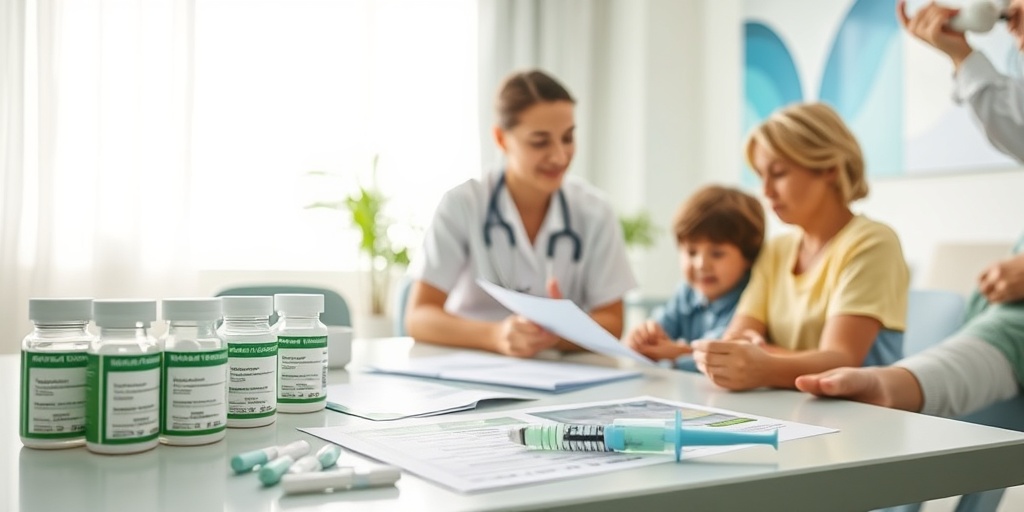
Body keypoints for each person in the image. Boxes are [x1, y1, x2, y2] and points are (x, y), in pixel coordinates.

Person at [796, 0, 1024, 418]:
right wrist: (961, 54)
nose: (1011, 17)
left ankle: (896, 386)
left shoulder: (868, 242)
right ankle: (898, 385)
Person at [404, 70, 635, 358]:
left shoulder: (595, 212)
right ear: (501, 138)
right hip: (472, 364)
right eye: (540, 142)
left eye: (567, 138)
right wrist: (495, 336)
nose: (559, 156)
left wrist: (554, 335)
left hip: (559, 370)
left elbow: (612, 321)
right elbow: (419, 316)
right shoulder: (463, 204)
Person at [691, 102, 910, 391]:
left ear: (829, 168)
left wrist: (761, 361)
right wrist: (748, 356)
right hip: (788, 407)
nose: (766, 191)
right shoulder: (777, 250)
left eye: (779, 173)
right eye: (761, 176)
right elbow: (735, 341)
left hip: (859, 410)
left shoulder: (872, 243)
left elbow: (841, 361)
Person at [625, 185, 765, 371]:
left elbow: (723, 354)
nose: (701, 264)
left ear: (748, 257)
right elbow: (661, 327)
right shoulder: (686, 292)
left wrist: (678, 353)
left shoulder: (751, 302)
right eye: (691, 252)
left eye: (717, 254)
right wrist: (644, 335)